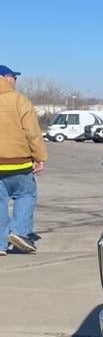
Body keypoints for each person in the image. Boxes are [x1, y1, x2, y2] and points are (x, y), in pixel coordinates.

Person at [0, 65, 46, 255]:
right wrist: (40, 156)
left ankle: (0, 244)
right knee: (26, 195)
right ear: (5, 77)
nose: (16, 81)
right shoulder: (19, 100)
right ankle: (19, 232)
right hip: (19, 161)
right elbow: (32, 132)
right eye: (14, 77)